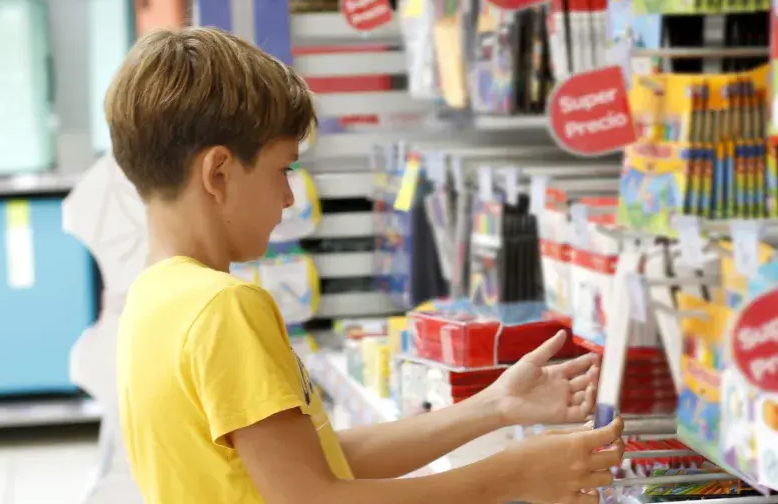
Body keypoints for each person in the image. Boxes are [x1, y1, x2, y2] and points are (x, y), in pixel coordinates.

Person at [107, 26, 626, 504]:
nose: (288, 197)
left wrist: (492, 408)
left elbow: (319, 462)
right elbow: (316, 498)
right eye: (282, 168)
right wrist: (512, 474)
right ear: (219, 171)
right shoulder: (224, 308)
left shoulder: (154, 302)